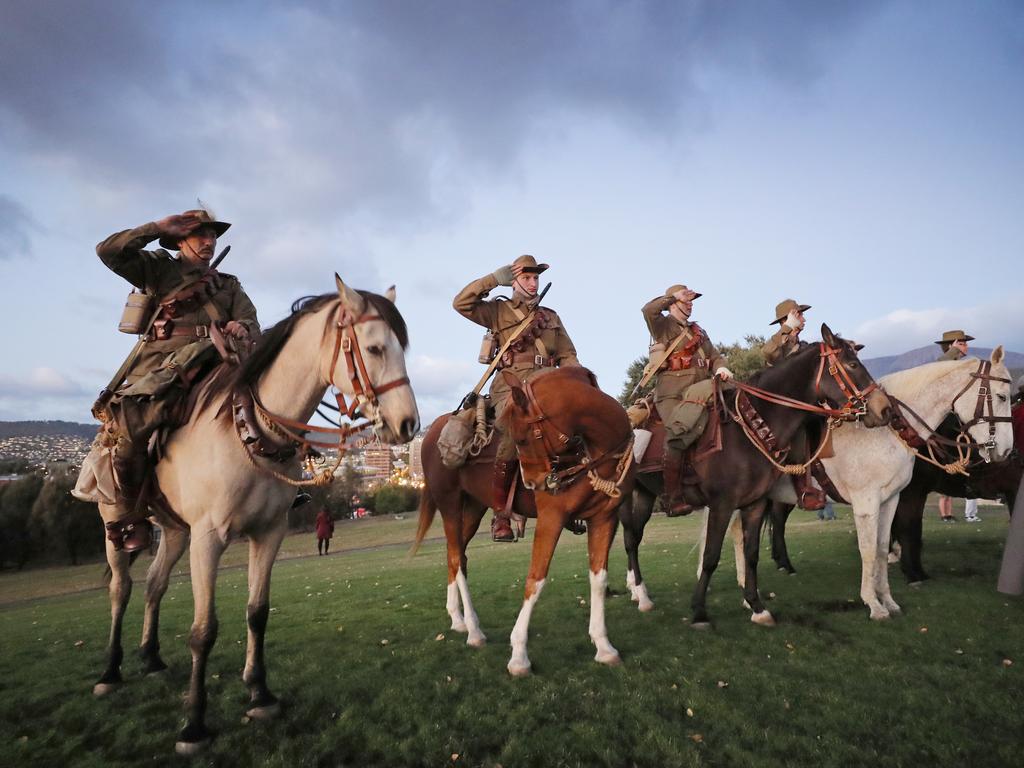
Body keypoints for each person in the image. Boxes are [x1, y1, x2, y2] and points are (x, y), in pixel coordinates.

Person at [93, 208, 259, 551]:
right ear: (179, 239)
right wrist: (154, 228)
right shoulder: (157, 268)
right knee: (129, 429)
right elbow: (107, 251)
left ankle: (284, 486)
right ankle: (132, 513)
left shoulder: (228, 285)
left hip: (215, 364)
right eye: (200, 234)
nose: (209, 241)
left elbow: (251, 324)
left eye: (213, 235)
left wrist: (241, 328)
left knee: (269, 402)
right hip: (160, 368)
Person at [453, 254, 580, 541]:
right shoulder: (498, 311)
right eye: (527, 277)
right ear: (514, 281)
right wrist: (493, 280)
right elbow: (460, 303)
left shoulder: (550, 317)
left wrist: (579, 382)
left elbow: (568, 355)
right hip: (510, 386)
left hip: (548, 385)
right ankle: (501, 513)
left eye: (536, 278)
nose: (533, 283)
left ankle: (569, 500)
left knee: (576, 426)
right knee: (514, 427)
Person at [641, 285, 731, 516]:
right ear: (672, 304)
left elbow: (715, 356)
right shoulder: (662, 326)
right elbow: (648, 310)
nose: (690, 303)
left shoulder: (699, 331)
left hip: (701, 389)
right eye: (686, 300)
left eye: (692, 300)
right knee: (678, 435)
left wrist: (721, 369)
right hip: (673, 393)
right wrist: (672, 296)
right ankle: (673, 497)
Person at [762, 298, 825, 510]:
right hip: (784, 412)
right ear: (786, 319)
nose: (804, 319)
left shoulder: (806, 347)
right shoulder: (778, 347)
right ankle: (803, 488)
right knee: (798, 436)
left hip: (809, 405)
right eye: (799, 315)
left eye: (801, 315)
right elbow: (768, 352)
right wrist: (788, 327)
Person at [935, 330, 974, 522]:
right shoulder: (946, 364)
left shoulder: (959, 365)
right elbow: (937, 369)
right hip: (946, 421)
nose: (967, 346)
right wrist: (951, 353)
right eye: (963, 343)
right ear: (953, 345)